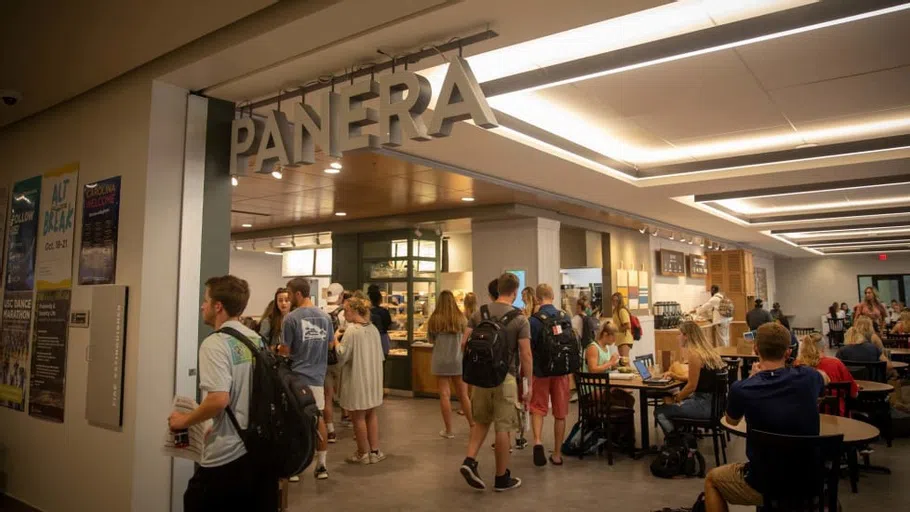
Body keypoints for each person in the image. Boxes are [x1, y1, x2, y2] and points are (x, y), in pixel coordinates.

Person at [170, 275, 277, 511]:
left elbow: (218, 400)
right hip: (259, 452)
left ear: (218, 306)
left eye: (205, 300)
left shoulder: (215, 344)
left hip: (227, 456)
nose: (202, 306)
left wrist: (183, 420)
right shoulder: (256, 339)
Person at [703, 323, 826, 512]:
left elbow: (731, 420)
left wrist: (754, 379)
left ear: (755, 349)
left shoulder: (743, 388)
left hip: (765, 483)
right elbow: (825, 378)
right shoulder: (809, 377)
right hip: (809, 480)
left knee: (712, 479)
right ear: (788, 352)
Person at [459, 273, 532, 492]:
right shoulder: (519, 318)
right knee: (504, 427)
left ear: (497, 289)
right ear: (515, 291)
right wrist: (527, 384)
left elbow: (464, 344)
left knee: (481, 421)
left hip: (480, 377)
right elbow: (526, 354)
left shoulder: (479, 313)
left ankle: (469, 460)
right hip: (505, 378)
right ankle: (501, 478)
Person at [282, 277, 333, 480]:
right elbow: (330, 345)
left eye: (289, 294)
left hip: (296, 377)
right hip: (318, 376)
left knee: (294, 420)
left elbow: (285, 350)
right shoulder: (325, 317)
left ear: (297, 294)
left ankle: (295, 467)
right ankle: (321, 465)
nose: (287, 298)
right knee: (318, 418)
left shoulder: (291, 318)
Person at [333, 295, 386, 464]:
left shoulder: (352, 330)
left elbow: (342, 355)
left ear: (355, 310)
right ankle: (375, 451)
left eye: (346, 310)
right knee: (371, 413)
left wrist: (335, 339)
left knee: (358, 416)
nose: (345, 314)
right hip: (373, 378)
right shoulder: (373, 329)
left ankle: (362, 452)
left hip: (357, 378)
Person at [653, 320, 725, 434]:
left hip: (703, 406)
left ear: (686, 336)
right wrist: (674, 375)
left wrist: (675, 399)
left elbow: (692, 386)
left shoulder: (694, 355)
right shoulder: (708, 352)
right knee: (675, 405)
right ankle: (684, 437)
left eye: (679, 334)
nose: (677, 337)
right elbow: (697, 378)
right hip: (716, 406)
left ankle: (678, 442)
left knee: (661, 411)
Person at [528, 284, 570, 467]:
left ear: (537, 299)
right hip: (561, 371)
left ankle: (538, 441)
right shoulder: (564, 317)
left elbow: (529, 348)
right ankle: (558, 454)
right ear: (553, 297)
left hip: (541, 371)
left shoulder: (534, 320)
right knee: (560, 413)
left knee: (538, 408)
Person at [427, 290, 474, 438]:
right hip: (458, 360)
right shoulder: (461, 318)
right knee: (463, 395)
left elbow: (430, 340)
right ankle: (473, 425)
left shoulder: (434, 319)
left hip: (440, 360)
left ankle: (448, 430)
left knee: (444, 395)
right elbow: (467, 340)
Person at [795, 333, 857, 416]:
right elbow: (854, 393)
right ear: (824, 347)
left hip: (806, 416)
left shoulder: (796, 366)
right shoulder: (836, 364)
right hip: (837, 416)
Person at [367, 285, 392, 357]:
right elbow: (389, 325)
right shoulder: (384, 311)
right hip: (383, 340)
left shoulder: (367, 312)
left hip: (369, 341)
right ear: (380, 300)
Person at [611, 292, 634, 358]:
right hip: (620, 339)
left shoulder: (622, 311)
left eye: (616, 300)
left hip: (625, 339)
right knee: (623, 360)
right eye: (612, 300)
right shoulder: (615, 311)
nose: (614, 302)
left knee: (625, 360)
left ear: (620, 301)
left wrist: (617, 329)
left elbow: (628, 325)